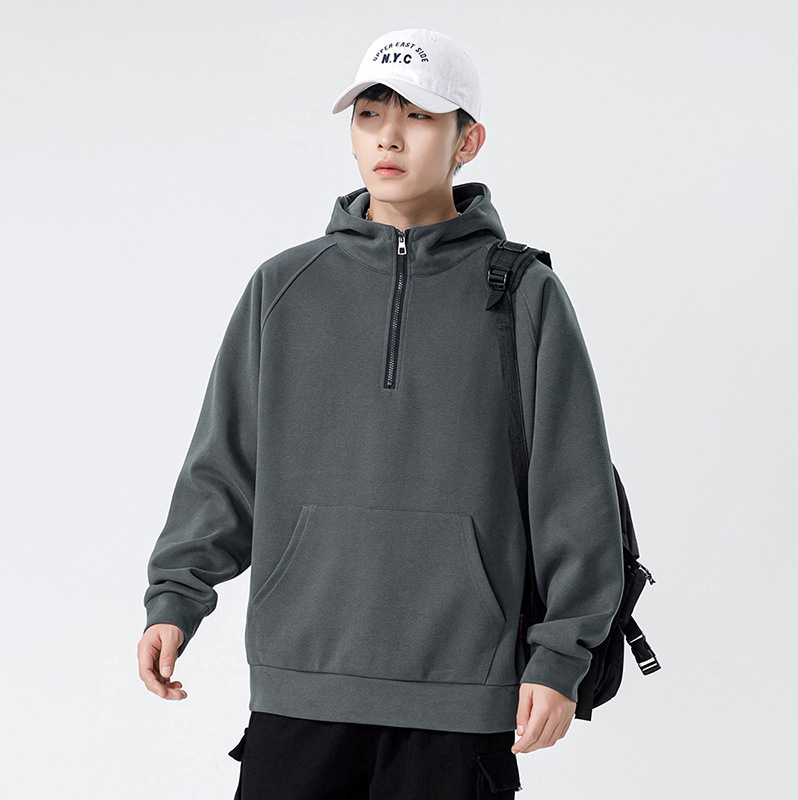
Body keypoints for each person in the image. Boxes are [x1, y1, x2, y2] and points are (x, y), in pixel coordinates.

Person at [137, 27, 625, 799]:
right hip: (301, 683)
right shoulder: (284, 286)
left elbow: (573, 489)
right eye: (369, 114)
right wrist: (175, 599)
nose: (388, 137)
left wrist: (562, 656)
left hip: (459, 691)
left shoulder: (523, 294)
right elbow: (223, 467)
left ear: (469, 141)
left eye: (418, 116)